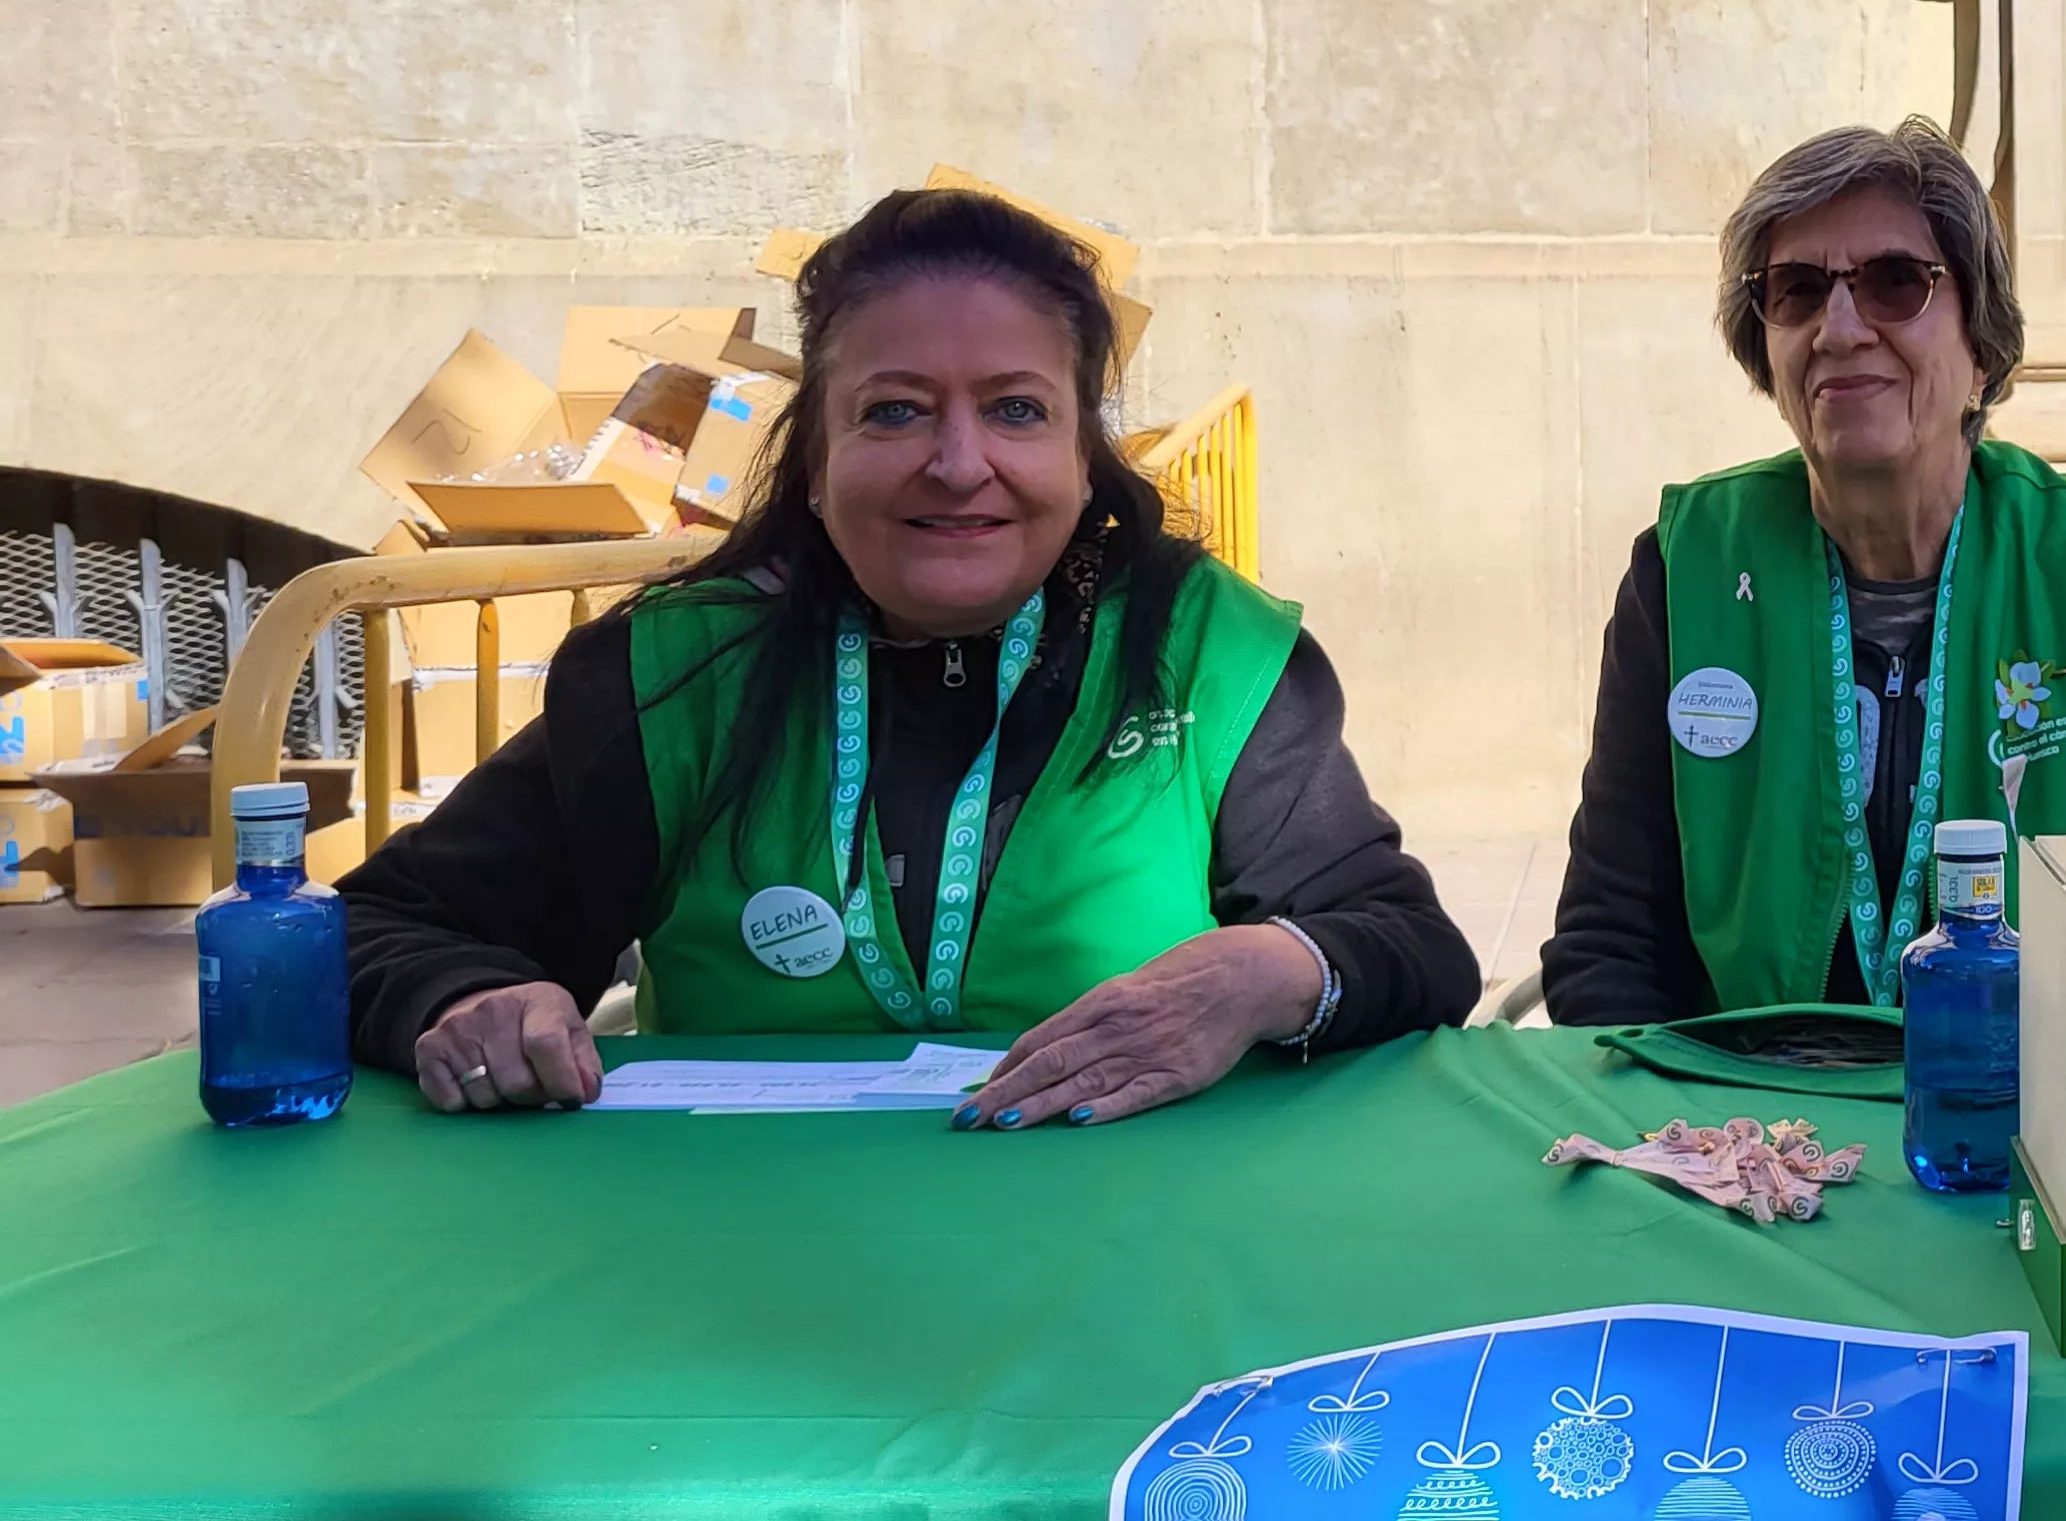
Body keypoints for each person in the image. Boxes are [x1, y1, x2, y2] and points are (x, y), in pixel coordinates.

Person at [346, 189, 1477, 1124]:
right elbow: (374, 928)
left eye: (1017, 411)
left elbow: (1407, 946)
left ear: (1084, 455)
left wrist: (1267, 974)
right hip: (741, 1247)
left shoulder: (1206, 650)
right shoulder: (674, 674)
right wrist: (471, 998)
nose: (959, 463)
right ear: (815, 460)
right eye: (894, 412)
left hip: (1128, 1246)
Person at [1541, 118, 2066, 1024]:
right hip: (1738, 1097)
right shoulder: (1686, 568)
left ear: (1982, 349)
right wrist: (1688, 1110)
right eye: (1796, 290)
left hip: (2020, 1089)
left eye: (1896, 283)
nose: (1839, 328)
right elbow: (1608, 942)